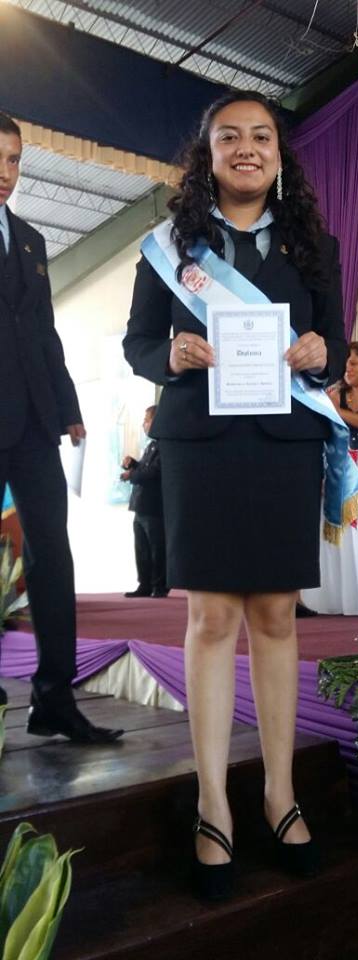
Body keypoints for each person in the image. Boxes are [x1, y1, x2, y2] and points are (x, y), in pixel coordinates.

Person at [123, 91, 348, 898]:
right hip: (202, 447)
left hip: (284, 445)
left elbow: (337, 342)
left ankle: (280, 795)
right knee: (212, 617)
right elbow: (137, 343)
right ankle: (213, 802)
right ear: (207, 153)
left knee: (277, 616)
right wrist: (171, 355)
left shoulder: (314, 244)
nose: (246, 148)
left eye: (261, 137)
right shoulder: (168, 247)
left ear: (279, 155)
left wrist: (321, 352)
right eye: (229, 137)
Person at [0, 112, 123, 743]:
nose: (6, 172)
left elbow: (44, 332)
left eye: (14, 160)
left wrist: (69, 407)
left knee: (52, 552)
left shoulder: (29, 240)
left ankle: (54, 696)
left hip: (32, 421)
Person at [121, 404, 168, 598]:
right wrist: (133, 464)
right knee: (141, 548)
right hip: (141, 505)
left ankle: (159, 585)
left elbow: (155, 472)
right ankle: (145, 584)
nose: (144, 424)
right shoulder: (151, 445)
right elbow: (145, 468)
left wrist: (132, 474)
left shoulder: (165, 446)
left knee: (156, 547)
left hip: (154, 506)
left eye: (147, 420)